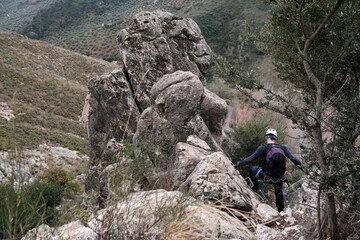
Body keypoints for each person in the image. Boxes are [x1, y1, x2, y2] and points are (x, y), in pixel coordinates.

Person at [235, 128, 303, 212]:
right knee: (278, 190)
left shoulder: (262, 148)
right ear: (276, 138)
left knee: (253, 169)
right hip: (280, 178)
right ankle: (281, 211)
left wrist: (239, 164)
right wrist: (302, 167)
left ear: (266, 137)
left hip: (266, 177)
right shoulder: (283, 147)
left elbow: (250, 159)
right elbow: (294, 159)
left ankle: (255, 187)